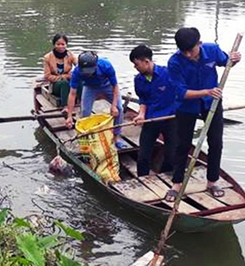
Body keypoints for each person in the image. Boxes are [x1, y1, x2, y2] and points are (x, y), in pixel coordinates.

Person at [166, 27, 241, 202]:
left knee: (216, 142)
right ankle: (176, 183)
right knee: (182, 144)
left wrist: (235, 59)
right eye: (184, 51)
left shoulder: (212, 50)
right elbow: (181, 92)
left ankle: (212, 181)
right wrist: (206, 91)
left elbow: (226, 61)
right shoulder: (175, 62)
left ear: (199, 43)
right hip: (187, 106)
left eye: (191, 50)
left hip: (212, 103)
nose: (188, 55)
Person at [130, 45, 178, 177]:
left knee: (171, 155)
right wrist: (141, 114)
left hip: (171, 119)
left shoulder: (168, 74)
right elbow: (143, 100)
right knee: (143, 156)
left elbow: (182, 92)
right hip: (151, 120)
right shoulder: (138, 80)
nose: (135, 67)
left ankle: (167, 180)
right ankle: (142, 180)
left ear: (146, 61)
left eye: (136, 64)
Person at [64, 51, 127, 150]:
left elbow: (115, 86)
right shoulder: (77, 72)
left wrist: (114, 105)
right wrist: (69, 116)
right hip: (89, 87)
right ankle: (85, 140)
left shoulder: (106, 66)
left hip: (107, 85)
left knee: (119, 108)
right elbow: (72, 94)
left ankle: (116, 138)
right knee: (85, 112)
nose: (88, 73)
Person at [43, 33, 77, 107]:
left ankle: (80, 102)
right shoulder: (47, 58)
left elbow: (78, 65)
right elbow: (47, 76)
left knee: (79, 81)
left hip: (68, 82)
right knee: (64, 83)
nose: (60, 46)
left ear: (66, 45)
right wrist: (64, 77)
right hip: (56, 85)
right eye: (58, 44)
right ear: (54, 45)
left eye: (63, 44)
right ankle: (65, 106)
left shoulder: (70, 55)